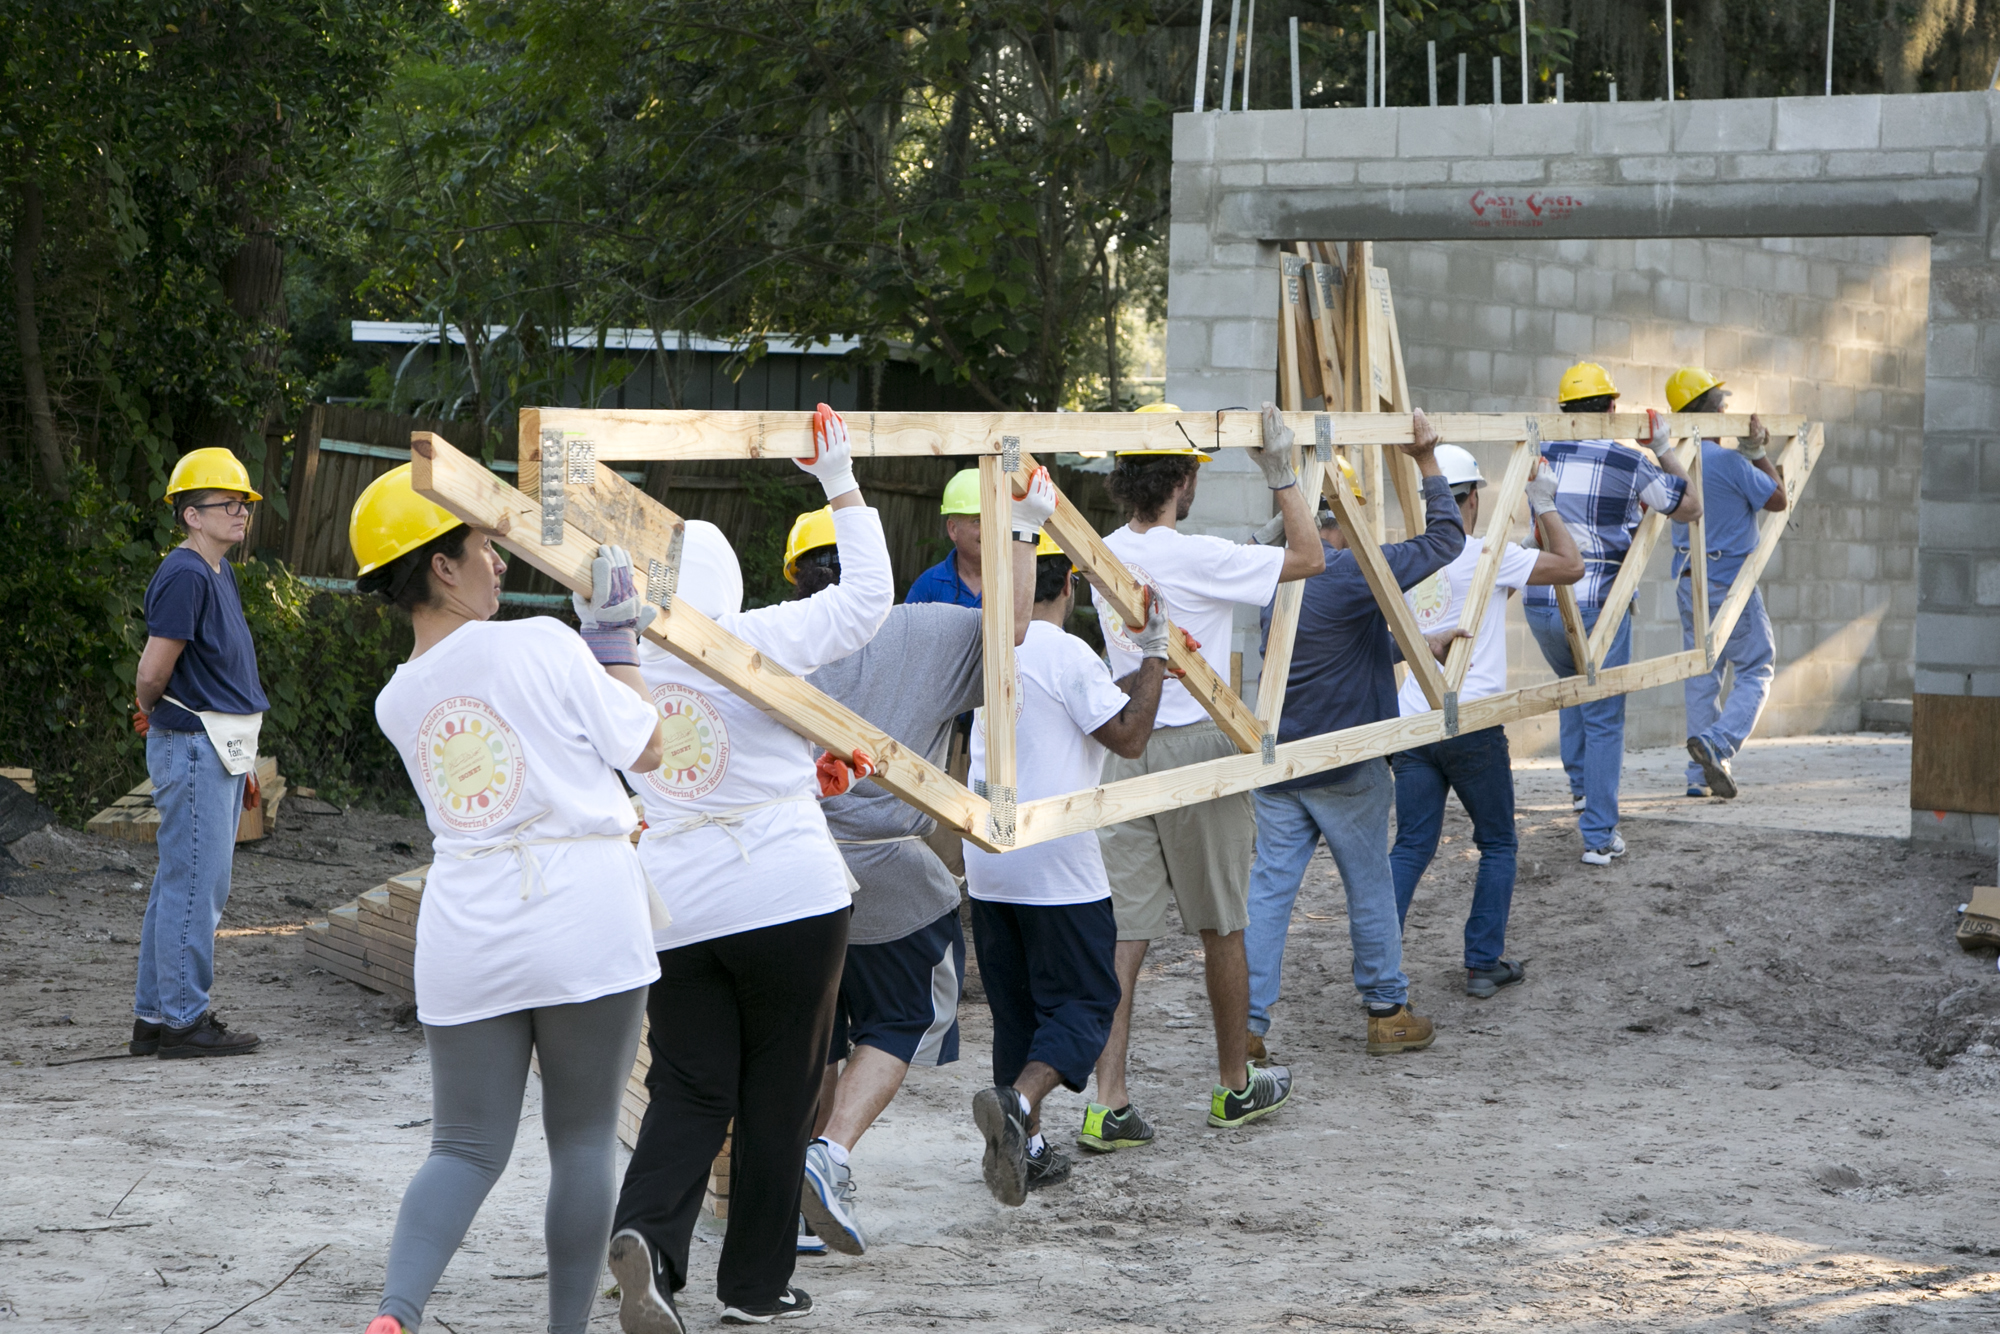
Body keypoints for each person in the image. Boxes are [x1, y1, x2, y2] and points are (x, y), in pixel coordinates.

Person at [354, 466, 670, 1334]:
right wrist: (617, 639)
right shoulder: (543, 642)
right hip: (583, 910)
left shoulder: (395, 699)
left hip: (467, 923)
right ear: (441, 568)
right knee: (580, 1139)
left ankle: (395, 1314)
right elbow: (643, 746)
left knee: (461, 1146)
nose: (499, 563)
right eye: (485, 546)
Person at [608, 404, 891, 1331]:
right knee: (780, 1091)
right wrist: (839, 481)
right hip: (788, 890)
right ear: (730, 581)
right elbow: (866, 599)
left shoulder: (623, 657)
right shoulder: (758, 636)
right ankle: (756, 1288)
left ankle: (648, 1236)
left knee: (689, 1085)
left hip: (678, 903)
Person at [790, 470, 1050, 1255]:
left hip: (789, 876)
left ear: (796, 576)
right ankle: (827, 1156)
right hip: (891, 879)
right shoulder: (920, 630)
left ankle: (785, 1199)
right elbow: (1011, 628)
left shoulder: (763, 638)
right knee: (900, 1016)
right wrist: (1029, 525)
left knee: (812, 1040)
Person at [1087, 401, 1324, 1150]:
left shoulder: (1100, 550)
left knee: (1125, 934)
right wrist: (1284, 476)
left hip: (1125, 746)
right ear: (1183, 480)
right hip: (1196, 749)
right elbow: (1311, 555)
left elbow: (1198, 572)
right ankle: (1233, 1088)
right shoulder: (1197, 557)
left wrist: (1239, 552)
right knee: (1223, 921)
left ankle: (1108, 1103)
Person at [1244, 411, 1464, 1059]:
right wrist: (1426, 461)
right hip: (1347, 764)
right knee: (1369, 882)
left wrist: (1415, 648)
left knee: (1268, 894)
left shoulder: (1269, 573)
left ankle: (1248, 1029)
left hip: (1282, 763)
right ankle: (1387, 1011)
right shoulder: (1351, 571)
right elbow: (1448, 540)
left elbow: (1335, 651)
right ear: (1338, 516)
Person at [966, 534, 1168, 1202]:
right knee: (1086, 1003)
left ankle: (1030, 1148)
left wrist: (1134, 676)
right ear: (1068, 588)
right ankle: (1019, 1108)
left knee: (1018, 1013)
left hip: (992, 862)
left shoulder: (988, 644)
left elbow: (1086, 710)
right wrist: (1158, 659)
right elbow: (1131, 737)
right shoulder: (1065, 650)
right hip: (1058, 868)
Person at [1388, 445, 1583, 1000]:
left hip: (1413, 720)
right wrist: (1544, 504)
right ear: (1473, 497)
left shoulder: (1409, 556)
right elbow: (1571, 566)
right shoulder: (1486, 554)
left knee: (1411, 847)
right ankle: (1482, 962)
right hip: (1471, 720)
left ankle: (1379, 963)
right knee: (1497, 842)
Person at [1522, 362, 1701, 866]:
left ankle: (1582, 793)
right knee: (1603, 714)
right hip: (1599, 603)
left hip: (1542, 602)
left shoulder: (1538, 455)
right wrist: (1665, 448)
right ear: (1611, 408)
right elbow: (1690, 508)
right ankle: (1599, 836)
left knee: (1572, 695)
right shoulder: (1630, 462)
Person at [129, 448, 270, 1060]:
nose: (240, 511)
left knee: (178, 885)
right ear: (191, 514)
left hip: (212, 741)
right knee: (197, 885)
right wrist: (158, 711)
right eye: (226, 503)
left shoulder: (217, 570)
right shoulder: (186, 573)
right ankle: (185, 1022)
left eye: (243, 503)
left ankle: (156, 1018)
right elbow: (153, 671)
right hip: (193, 741)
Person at [1665, 368, 1786, 800]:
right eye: (1722, 404)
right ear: (1713, 410)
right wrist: (1756, 452)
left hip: (1688, 579)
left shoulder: (1675, 461)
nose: (1727, 410)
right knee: (1758, 666)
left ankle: (1698, 777)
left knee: (1702, 674)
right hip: (1730, 581)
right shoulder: (1730, 463)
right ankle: (1718, 744)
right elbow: (1777, 498)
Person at [903, 469, 985, 607]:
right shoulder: (928, 586)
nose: (988, 530)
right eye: (977, 521)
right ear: (953, 529)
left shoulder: (1016, 580)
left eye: (994, 520)